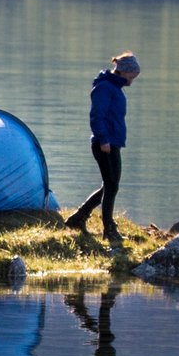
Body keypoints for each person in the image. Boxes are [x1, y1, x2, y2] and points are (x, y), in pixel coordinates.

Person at [65, 52, 139, 238]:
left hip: (113, 142)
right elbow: (97, 116)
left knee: (110, 185)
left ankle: (79, 217)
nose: (132, 81)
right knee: (111, 185)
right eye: (131, 77)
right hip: (104, 143)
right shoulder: (104, 88)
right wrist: (104, 139)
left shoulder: (115, 88)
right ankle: (109, 229)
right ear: (123, 72)